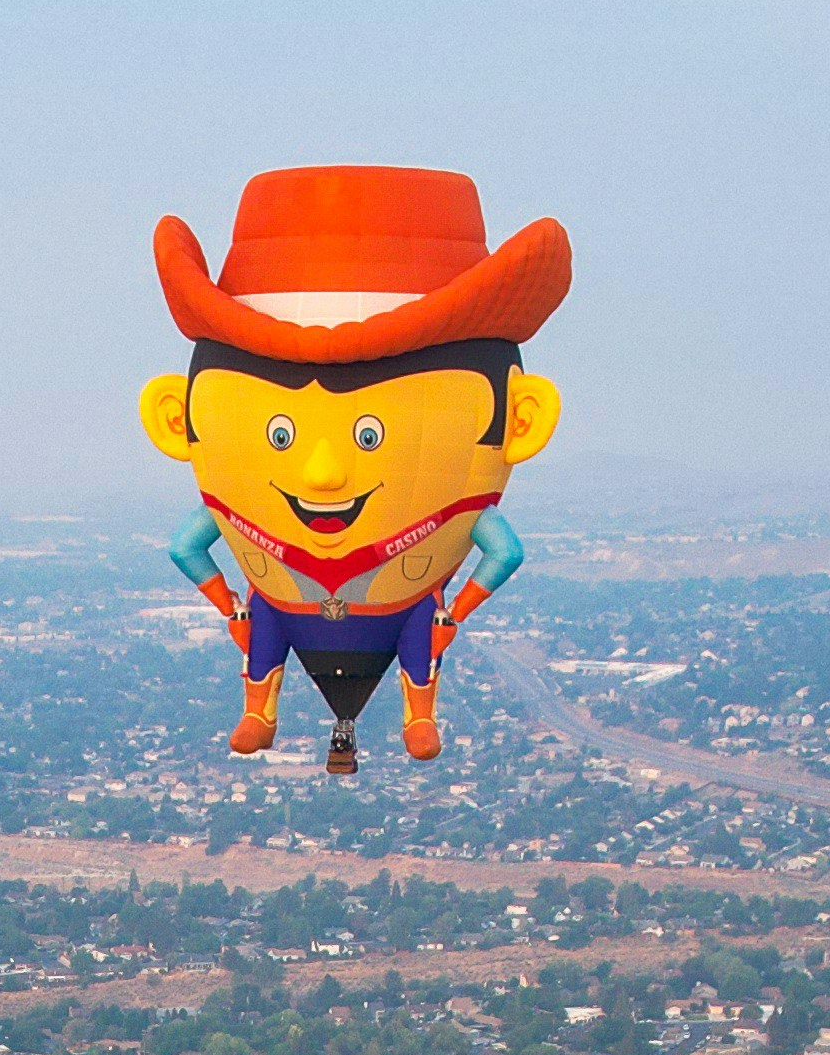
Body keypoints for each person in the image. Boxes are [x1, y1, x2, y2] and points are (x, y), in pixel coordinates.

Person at [137, 165, 571, 776]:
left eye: (372, 436)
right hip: (288, 600)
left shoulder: (455, 504)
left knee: (399, 620)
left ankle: (417, 713)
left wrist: (228, 605)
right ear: (176, 419)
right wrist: (458, 611)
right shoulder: (237, 510)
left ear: (519, 422)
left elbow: (185, 547)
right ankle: (265, 706)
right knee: (279, 614)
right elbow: (505, 553)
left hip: (400, 600)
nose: (322, 472)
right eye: (279, 435)